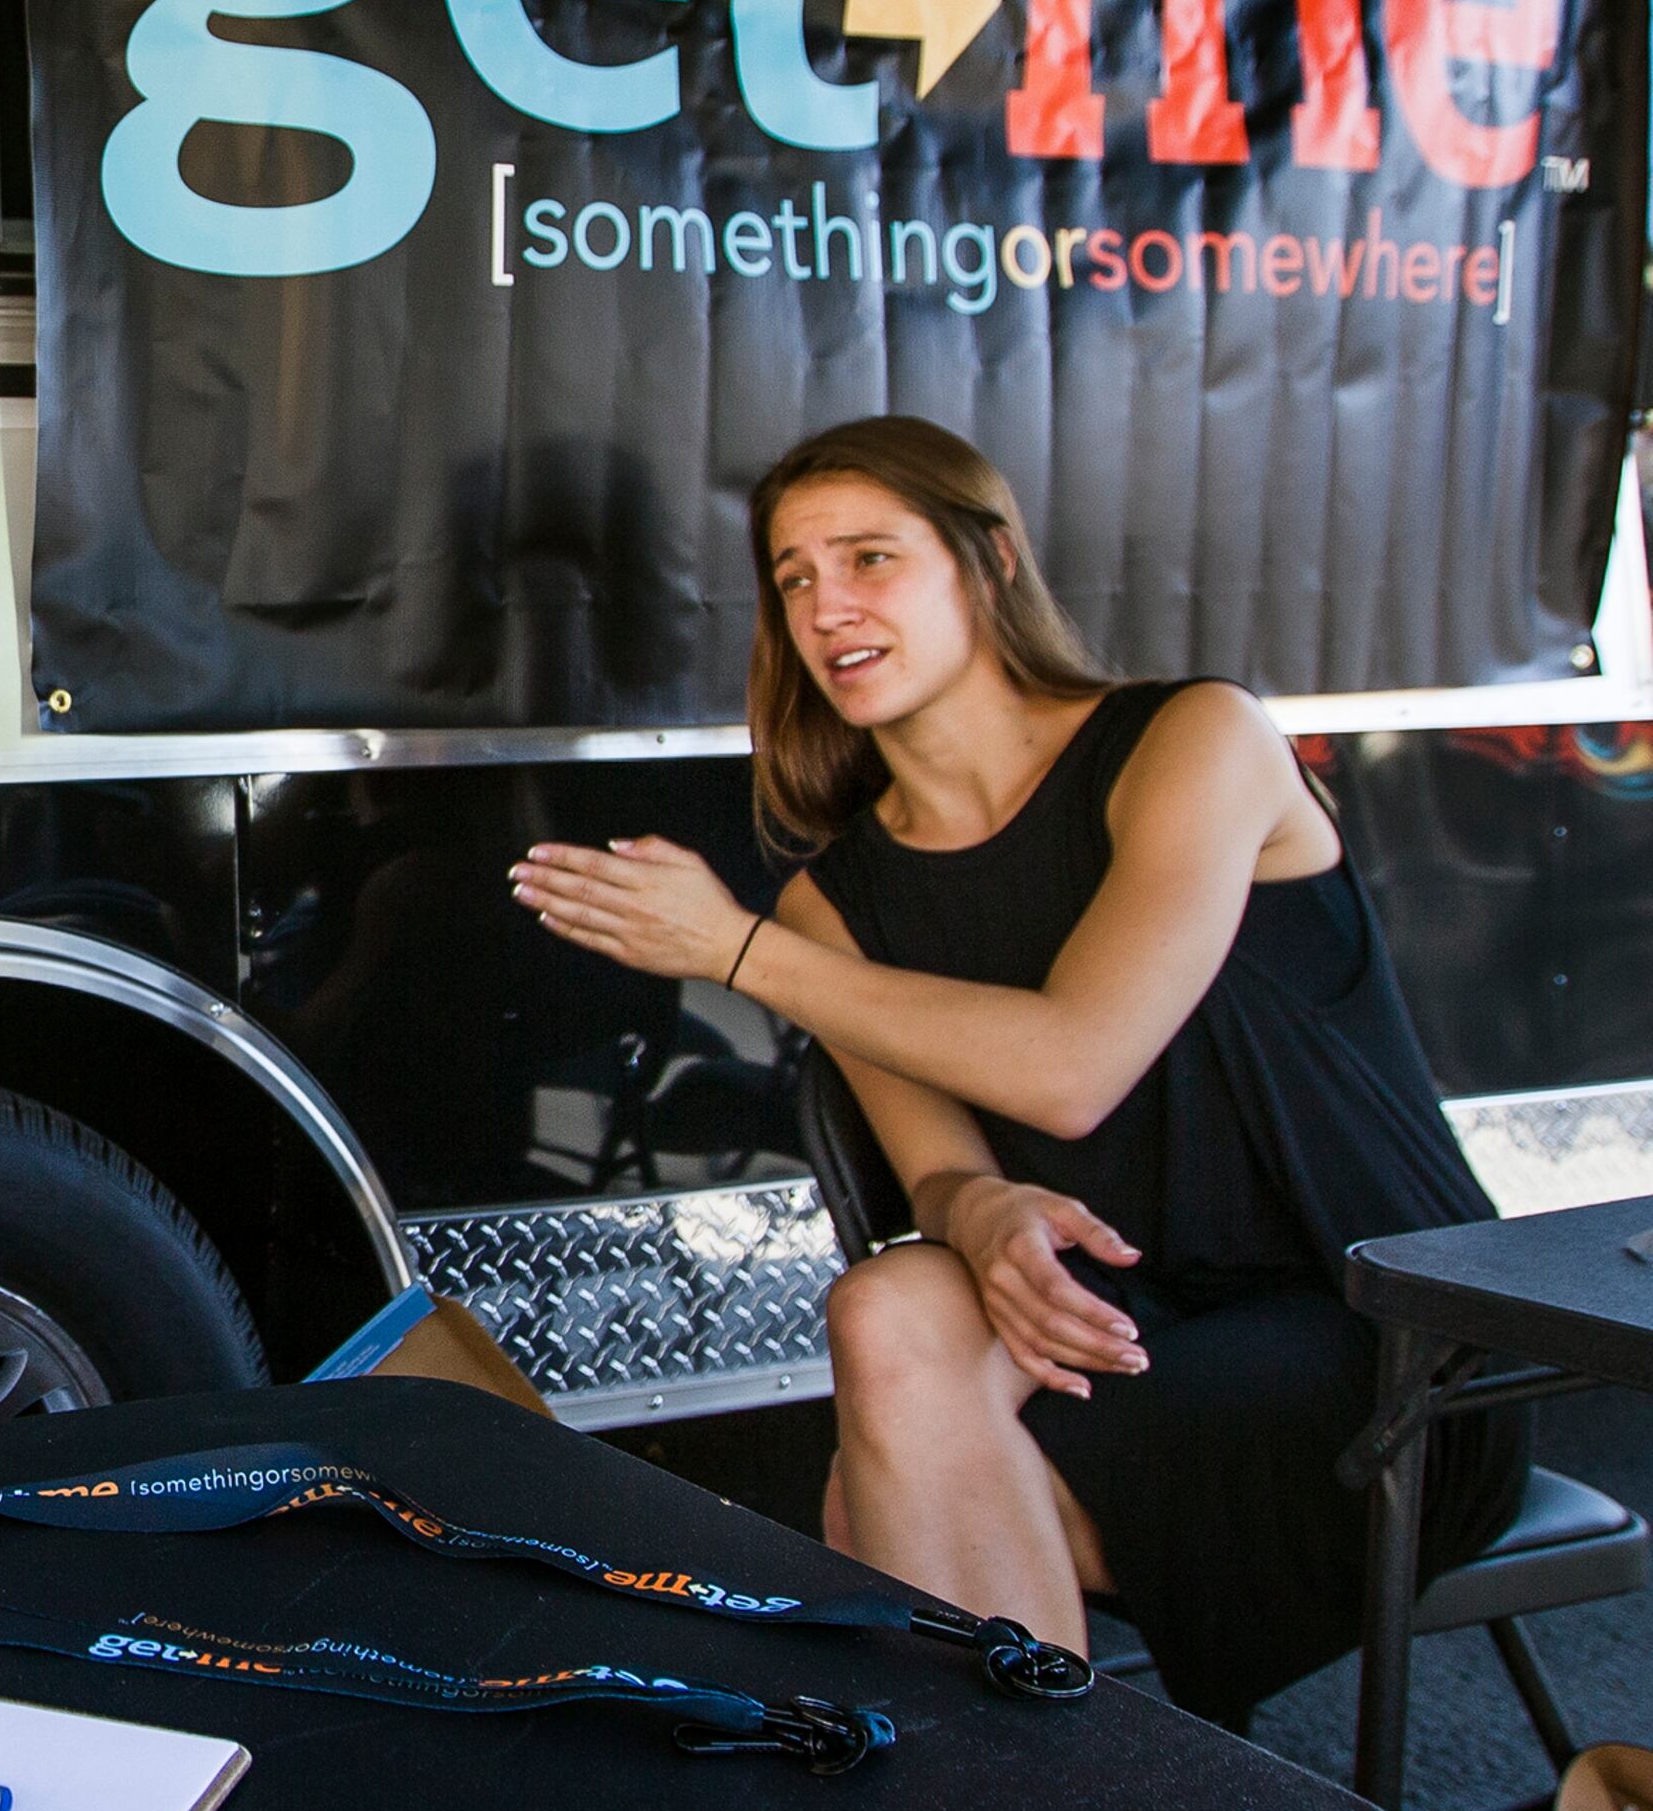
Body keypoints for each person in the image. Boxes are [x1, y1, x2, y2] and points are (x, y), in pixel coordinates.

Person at [507, 415, 1523, 1726]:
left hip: (1384, 1341)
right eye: (795, 578)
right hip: (1115, 1334)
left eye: (871, 557)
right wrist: (981, 1213)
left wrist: (735, 951)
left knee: (881, 1505)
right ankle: (1049, 1770)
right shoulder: (837, 903)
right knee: (895, 1312)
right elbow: (940, 1167)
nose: (828, 605)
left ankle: (1010, 1766)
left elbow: (1072, 1069)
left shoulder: (1194, 740)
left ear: (987, 563)